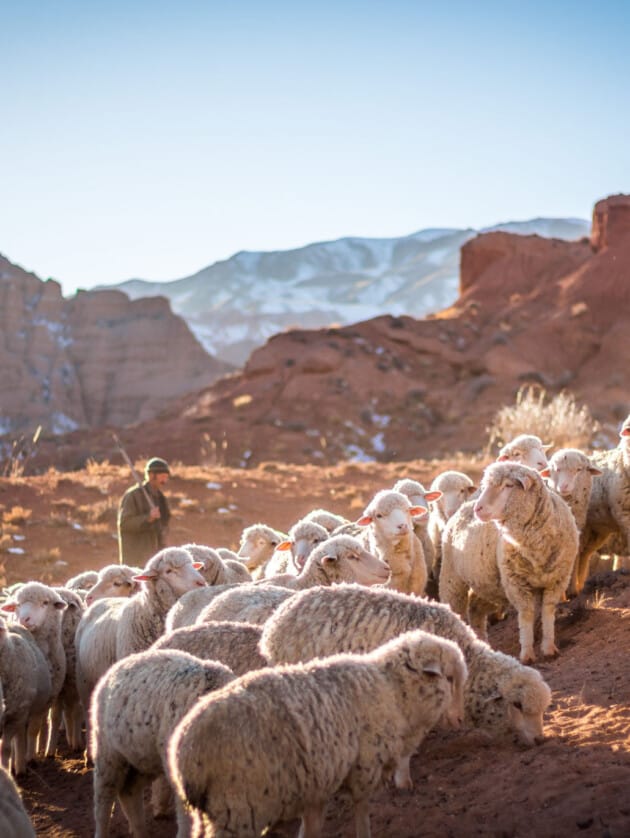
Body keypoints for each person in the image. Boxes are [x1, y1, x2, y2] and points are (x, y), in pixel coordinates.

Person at [117, 457, 172, 566]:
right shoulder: (133, 496)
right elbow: (124, 524)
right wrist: (148, 518)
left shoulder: (161, 499)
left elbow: (163, 526)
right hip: (136, 559)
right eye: (162, 477)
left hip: (156, 559)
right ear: (151, 475)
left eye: (166, 477)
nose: (164, 481)